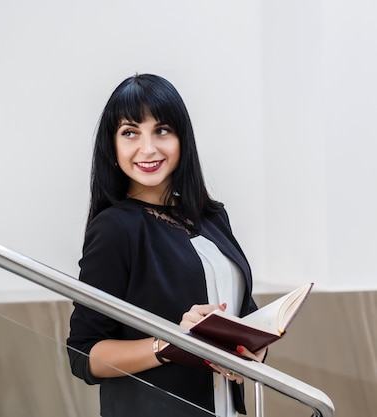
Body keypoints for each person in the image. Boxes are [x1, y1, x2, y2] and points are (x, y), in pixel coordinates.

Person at [66, 73, 266, 417]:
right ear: (113, 146)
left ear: (181, 138)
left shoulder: (211, 217)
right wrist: (171, 344)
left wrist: (254, 348)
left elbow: (240, 310)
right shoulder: (115, 228)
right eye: (130, 132)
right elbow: (85, 354)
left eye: (162, 130)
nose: (148, 148)